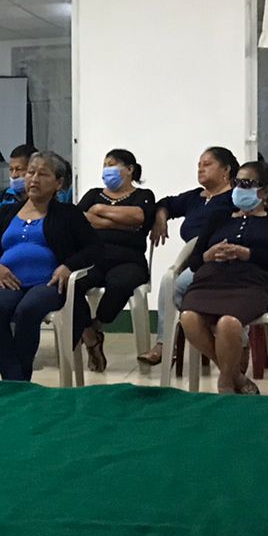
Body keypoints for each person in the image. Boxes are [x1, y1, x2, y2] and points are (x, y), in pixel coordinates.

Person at [178, 160, 268, 394]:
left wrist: (248, 254)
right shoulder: (219, 217)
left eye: (246, 184)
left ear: (265, 191)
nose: (238, 189)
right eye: (236, 183)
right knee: (189, 318)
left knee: (229, 324)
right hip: (210, 280)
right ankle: (236, 377)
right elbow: (194, 261)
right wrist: (209, 255)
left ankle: (225, 383)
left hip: (253, 283)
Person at [0, 150, 101, 382]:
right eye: (31, 172)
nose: (34, 179)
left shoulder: (68, 214)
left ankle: (18, 380)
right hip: (8, 281)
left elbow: (94, 248)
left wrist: (68, 266)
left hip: (48, 283)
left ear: (58, 183)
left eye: (42, 174)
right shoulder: (5, 213)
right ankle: (14, 380)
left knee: (28, 309)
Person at [139, 146, 239, 366]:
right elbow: (165, 203)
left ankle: (200, 335)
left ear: (226, 170)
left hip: (221, 260)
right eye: (198, 165)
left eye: (207, 164)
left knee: (176, 284)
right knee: (168, 281)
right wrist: (161, 217)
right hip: (195, 258)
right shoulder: (196, 197)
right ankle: (166, 343)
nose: (201, 169)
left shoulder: (234, 198)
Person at [73, 148, 156, 373]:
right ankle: (90, 336)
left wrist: (99, 211)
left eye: (112, 164)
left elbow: (139, 216)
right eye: (105, 165)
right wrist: (121, 224)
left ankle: (97, 324)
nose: (106, 170)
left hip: (129, 260)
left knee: (120, 283)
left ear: (129, 169)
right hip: (93, 259)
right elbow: (78, 219)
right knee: (70, 285)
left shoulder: (144, 195)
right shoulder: (93, 194)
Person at [0, 144, 73, 230]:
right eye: (11, 170)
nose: (14, 175)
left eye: (19, 169)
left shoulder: (62, 197)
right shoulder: (1, 198)